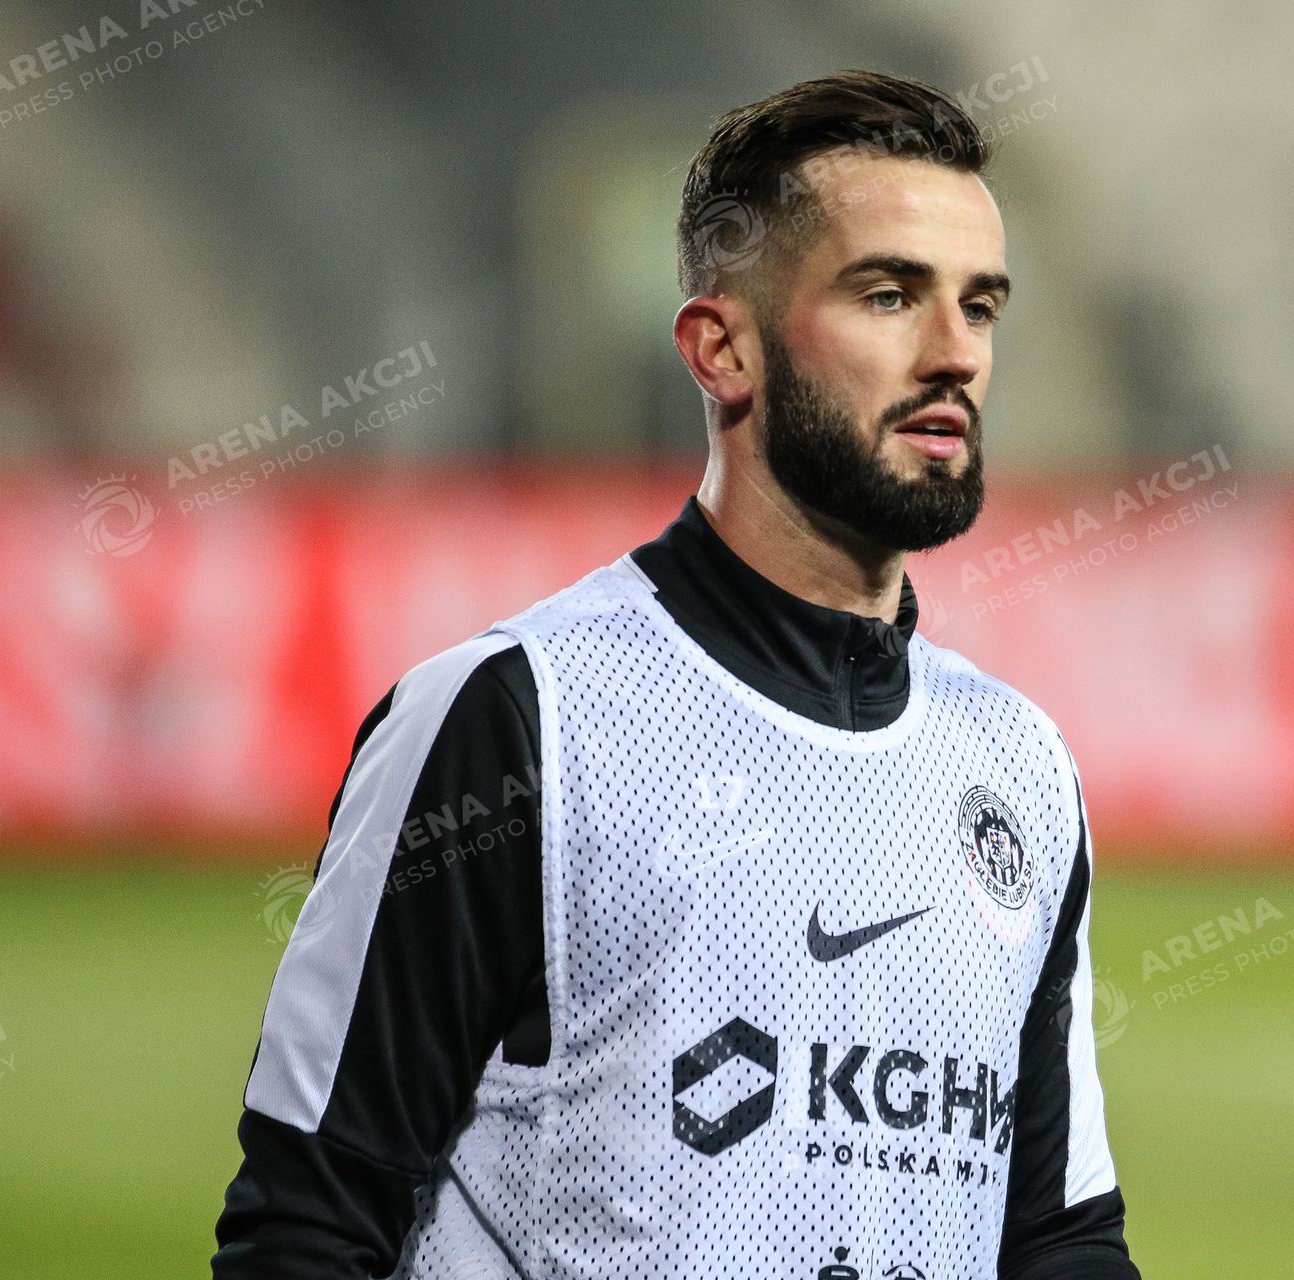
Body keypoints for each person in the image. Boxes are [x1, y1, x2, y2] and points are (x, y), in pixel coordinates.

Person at [213, 69, 1140, 1279]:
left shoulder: (1019, 765)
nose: (956, 352)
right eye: (888, 294)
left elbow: (1061, 1238)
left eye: (981, 305)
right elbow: (307, 1224)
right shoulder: (514, 719)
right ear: (721, 350)